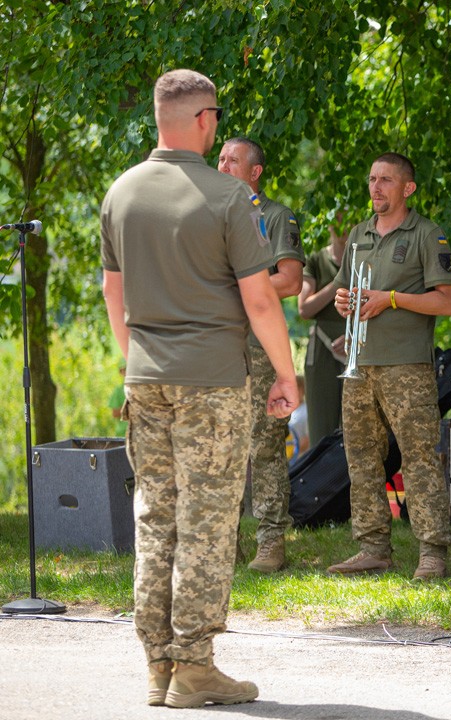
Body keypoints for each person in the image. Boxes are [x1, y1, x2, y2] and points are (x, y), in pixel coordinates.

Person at [101, 69, 299, 708]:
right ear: (206, 121)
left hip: (147, 379)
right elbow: (261, 300)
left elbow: (114, 291)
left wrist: (135, 363)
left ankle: (158, 666)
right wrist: (287, 376)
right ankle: (195, 664)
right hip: (211, 383)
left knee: (154, 518)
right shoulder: (227, 198)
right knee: (208, 524)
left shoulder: (122, 192)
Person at [325, 153, 451, 579]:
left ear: (408, 188)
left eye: (386, 180)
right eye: (371, 179)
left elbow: (450, 302)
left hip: (407, 367)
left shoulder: (427, 234)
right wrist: (342, 301)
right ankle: (372, 547)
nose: (376, 187)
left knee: (419, 457)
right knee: (362, 457)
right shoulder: (359, 234)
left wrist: (393, 299)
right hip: (360, 363)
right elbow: (348, 291)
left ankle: (432, 551)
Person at [217, 136, 304, 574]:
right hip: (212, 346)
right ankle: (221, 545)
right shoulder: (205, 215)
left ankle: (270, 542)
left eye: (234, 160)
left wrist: (236, 288)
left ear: (255, 172)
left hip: (259, 348)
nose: (224, 164)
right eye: (220, 158)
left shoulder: (273, 216)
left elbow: (289, 281)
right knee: (218, 448)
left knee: (265, 447)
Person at [298, 220, 350, 446]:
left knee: (358, 429)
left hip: (358, 346)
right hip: (322, 350)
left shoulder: (365, 260)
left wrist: (353, 337)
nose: (343, 224)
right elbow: (304, 308)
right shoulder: (317, 259)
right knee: (322, 430)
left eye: (348, 217)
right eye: (337, 217)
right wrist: (338, 283)